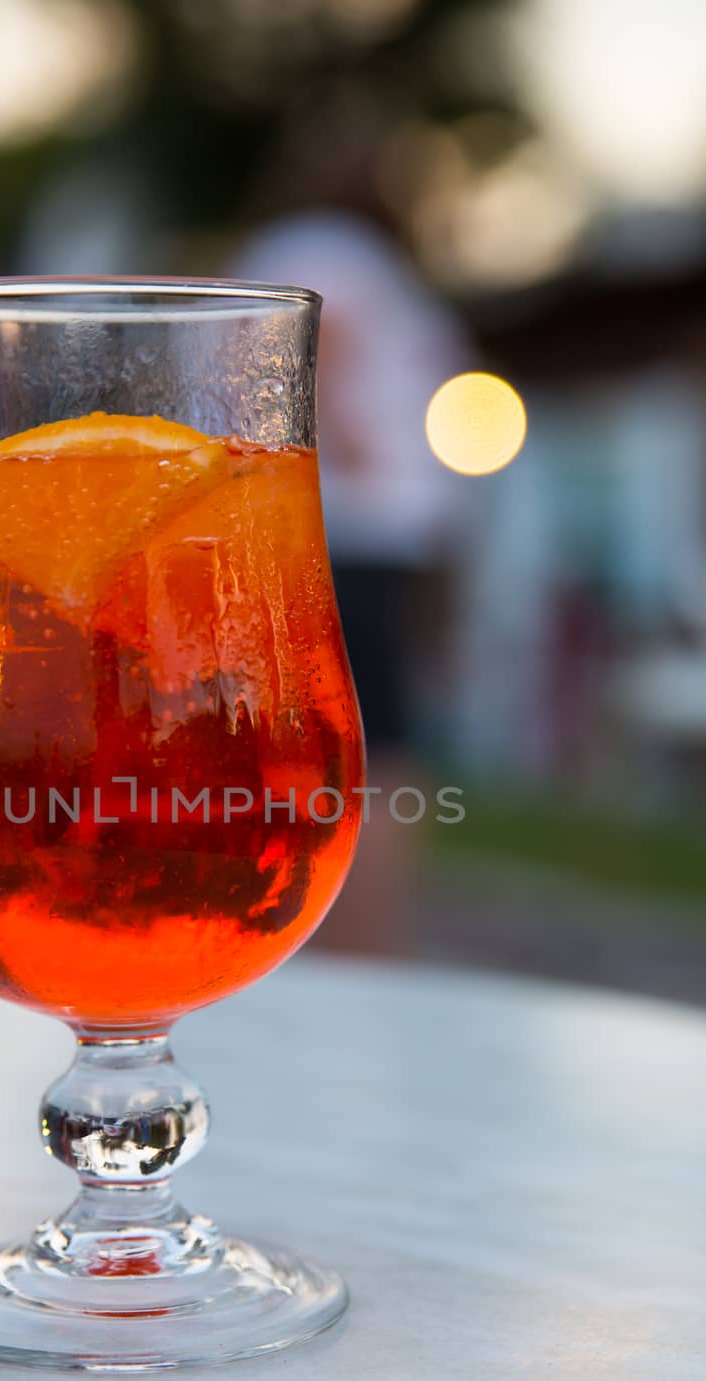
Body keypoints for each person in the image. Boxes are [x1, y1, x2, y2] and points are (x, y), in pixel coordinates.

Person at [229, 210, 474, 952]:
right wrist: (343, 441)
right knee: (365, 753)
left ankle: (344, 940)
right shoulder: (332, 246)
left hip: (371, 537)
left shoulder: (359, 261)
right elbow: (304, 347)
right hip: (346, 533)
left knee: (365, 750)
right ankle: (349, 948)